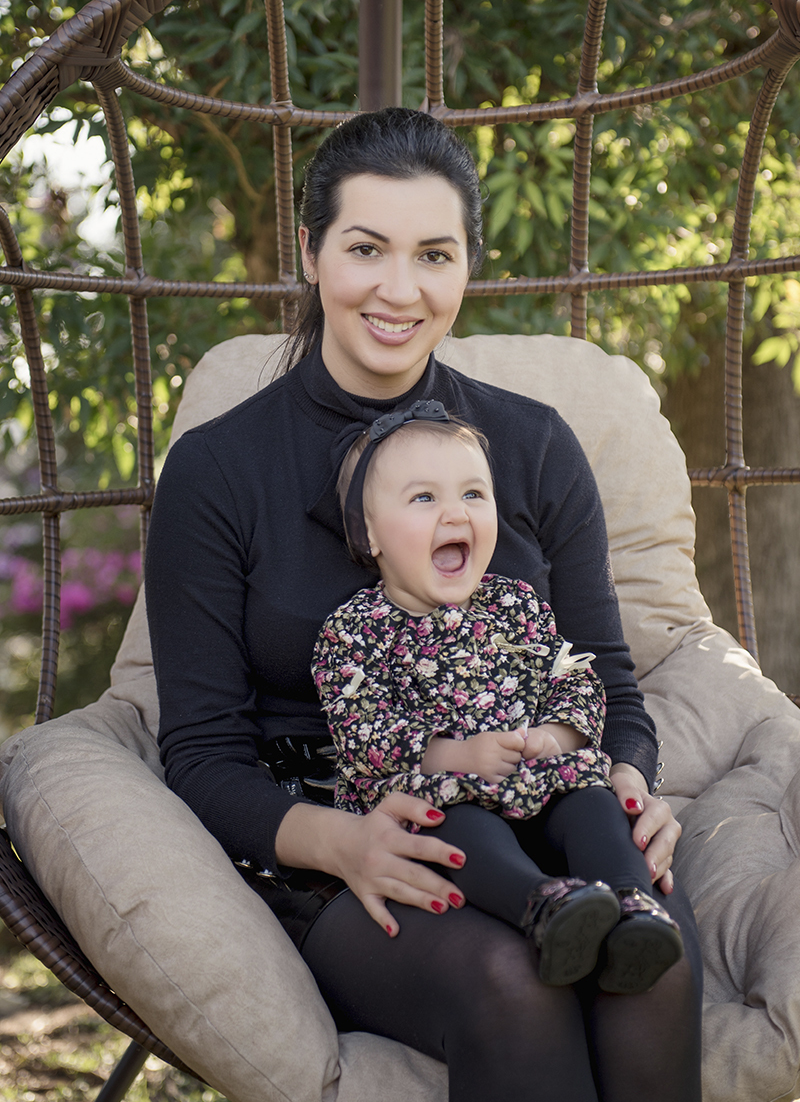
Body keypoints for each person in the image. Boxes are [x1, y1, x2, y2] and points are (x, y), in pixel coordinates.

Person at [146, 106, 702, 1101]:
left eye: (433, 254)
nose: (398, 290)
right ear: (311, 252)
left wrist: (625, 783)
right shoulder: (219, 470)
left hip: (550, 814)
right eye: (366, 248)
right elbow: (199, 750)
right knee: (510, 982)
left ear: (465, 269)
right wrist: (339, 841)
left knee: (646, 972)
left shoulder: (530, 447)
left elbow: (603, 679)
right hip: (348, 842)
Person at [312, 407, 684, 993]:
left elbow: (575, 678)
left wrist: (555, 738)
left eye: (473, 494)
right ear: (368, 533)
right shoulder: (354, 630)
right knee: (456, 827)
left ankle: (631, 905)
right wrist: (456, 757)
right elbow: (361, 730)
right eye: (423, 499)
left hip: (538, 780)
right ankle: (542, 906)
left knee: (591, 803)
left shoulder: (515, 604)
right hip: (441, 791)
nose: (456, 512)